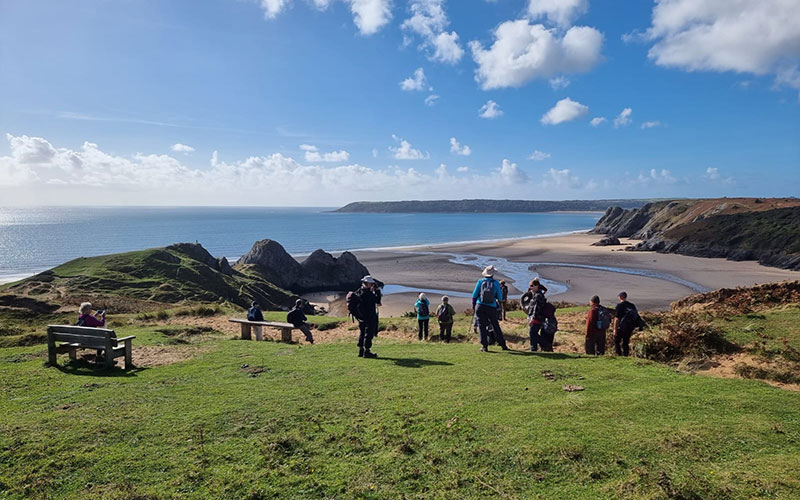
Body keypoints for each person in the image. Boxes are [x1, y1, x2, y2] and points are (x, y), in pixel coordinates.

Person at [472, 265, 508, 352]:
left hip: (480, 306)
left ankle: (484, 346)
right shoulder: (496, 283)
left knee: (482, 326)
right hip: (492, 307)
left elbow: (474, 295)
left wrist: (474, 306)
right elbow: (500, 297)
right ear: (493, 274)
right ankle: (503, 344)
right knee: (495, 325)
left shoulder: (480, 281)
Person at [350, 275, 381, 358]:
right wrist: (377, 291)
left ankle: (361, 350)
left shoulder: (359, 291)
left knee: (362, 332)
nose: (372, 285)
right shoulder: (368, 294)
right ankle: (367, 351)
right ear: (367, 284)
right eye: (371, 284)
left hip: (361, 316)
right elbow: (378, 300)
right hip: (369, 316)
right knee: (368, 333)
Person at [522, 279, 548, 351]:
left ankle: (544, 345)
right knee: (533, 333)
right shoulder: (535, 294)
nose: (530, 287)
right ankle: (534, 348)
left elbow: (536, 308)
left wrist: (532, 318)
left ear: (537, 286)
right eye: (530, 286)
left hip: (537, 317)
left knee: (533, 333)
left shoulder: (538, 296)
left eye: (532, 286)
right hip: (536, 317)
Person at [613, 291, 641, 356]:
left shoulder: (619, 305)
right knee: (626, 342)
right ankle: (626, 355)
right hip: (630, 327)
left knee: (616, 341)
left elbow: (617, 318)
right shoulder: (632, 305)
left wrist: (615, 329)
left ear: (620, 297)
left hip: (621, 327)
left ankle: (619, 354)